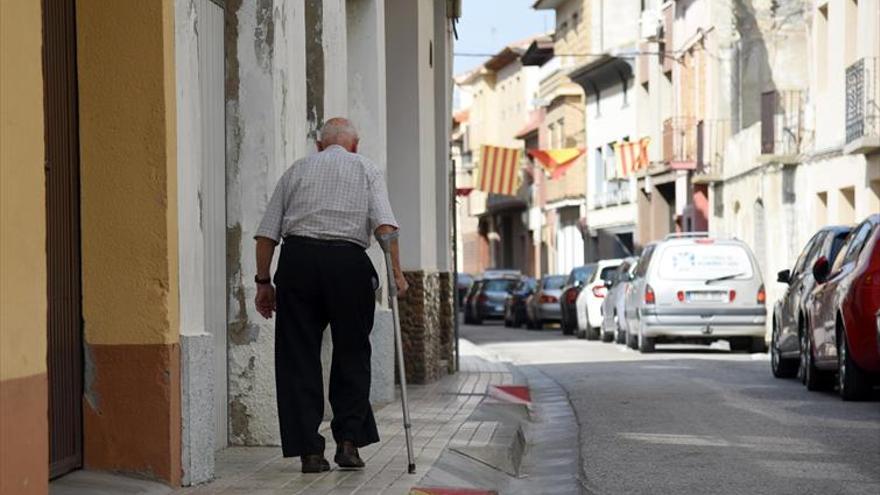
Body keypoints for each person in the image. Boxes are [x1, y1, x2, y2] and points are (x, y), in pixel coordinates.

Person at [253, 117, 407, 473]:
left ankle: (309, 451)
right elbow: (385, 228)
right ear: (355, 145)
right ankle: (349, 444)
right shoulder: (366, 168)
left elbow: (266, 235)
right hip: (347, 264)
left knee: (298, 356)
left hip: (298, 262)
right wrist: (395, 273)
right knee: (352, 352)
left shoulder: (298, 170)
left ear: (319, 145)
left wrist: (264, 282)